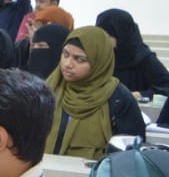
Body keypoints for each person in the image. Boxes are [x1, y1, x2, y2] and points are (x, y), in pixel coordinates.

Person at [46, 26, 146, 159]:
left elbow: (131, 154)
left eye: (80, 59)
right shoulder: (49, 88)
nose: (67, 64)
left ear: (98, 62)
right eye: (65, 54)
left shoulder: (117, 98)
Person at [94, 8, 169, 98]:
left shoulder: (143, 59)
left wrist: (139, 95)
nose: (101, 39)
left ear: (121, 35)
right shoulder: (100, 57)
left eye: (106, 35)